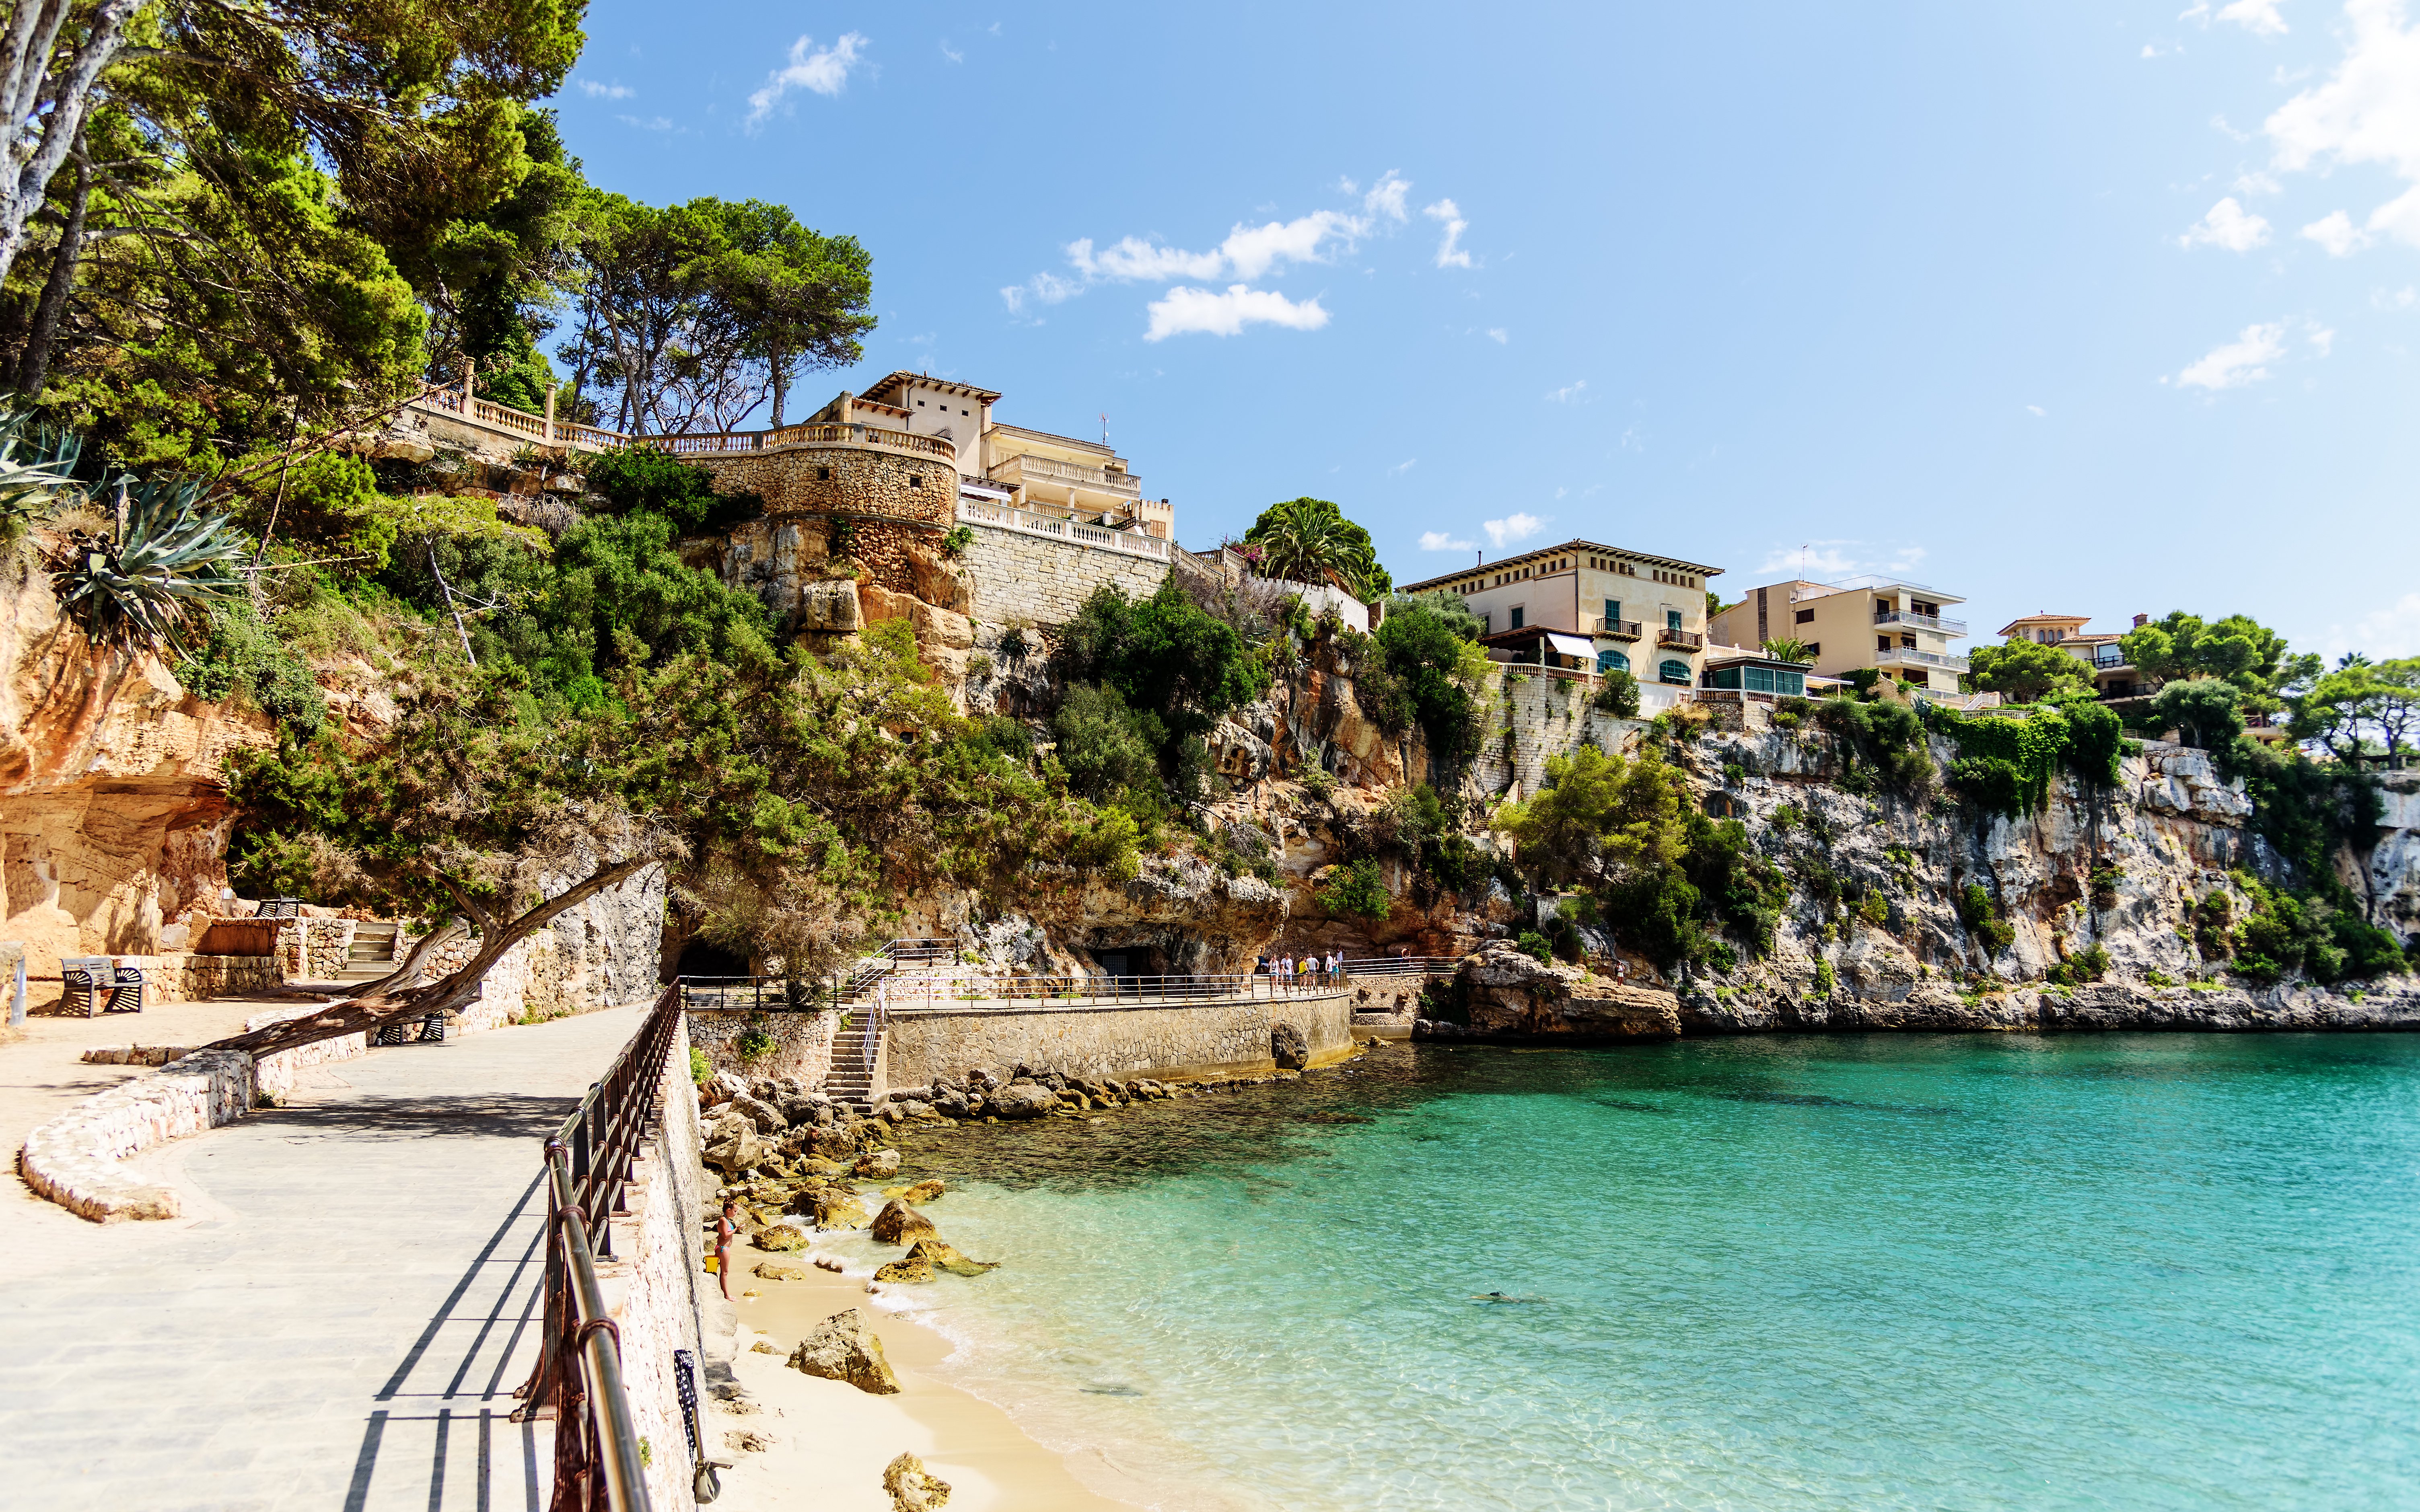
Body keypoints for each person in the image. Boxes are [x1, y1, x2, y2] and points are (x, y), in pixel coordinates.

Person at [715, 1200, 737, 1299]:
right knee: (725, 1272)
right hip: (723, 1248)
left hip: (724, 1248)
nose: (736, 1213)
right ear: (729, 1210)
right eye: (735, 1211)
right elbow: (725, 1236)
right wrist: (735, 1230)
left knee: (725, 1271)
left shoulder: (727, 1220)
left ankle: (726, 1294)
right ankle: (726, 1295)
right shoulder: (723, 1220)